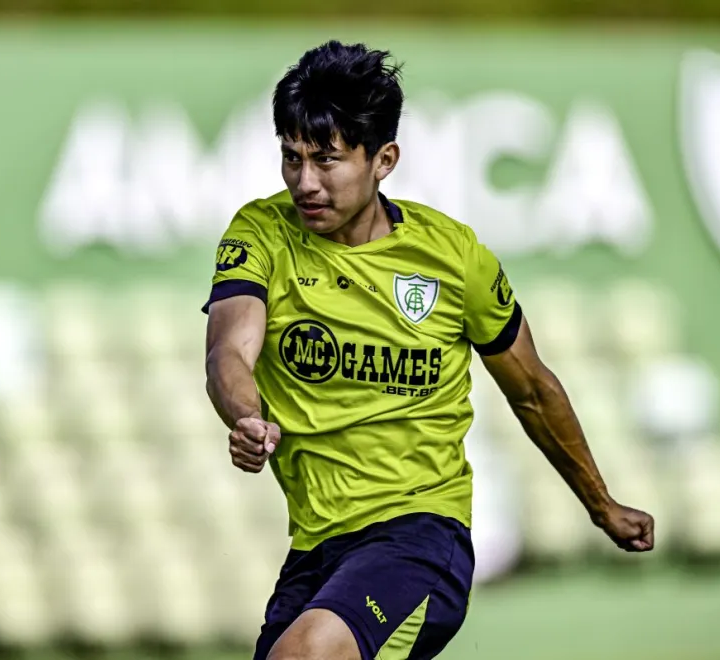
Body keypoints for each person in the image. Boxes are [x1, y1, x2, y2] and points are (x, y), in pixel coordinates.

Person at [202, 40, 655, 660]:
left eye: (327, 160)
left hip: (420, 537)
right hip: (317, 548)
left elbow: (531, 388)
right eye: (291, 158)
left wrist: (601, 505)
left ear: (383, 159)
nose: (305, 182)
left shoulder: (452, 257)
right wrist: (245, 415)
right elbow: (229, 348)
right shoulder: (261, 233)